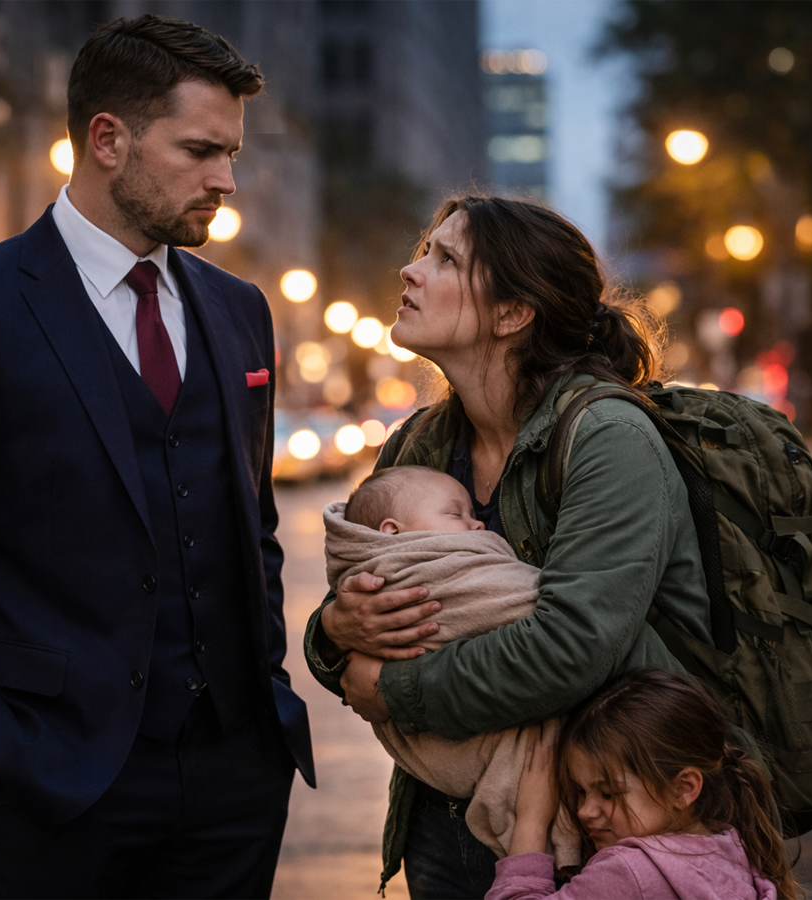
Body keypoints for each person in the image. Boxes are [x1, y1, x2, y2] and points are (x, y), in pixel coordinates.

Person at [0, 14, 314, 899]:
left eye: (232, 153)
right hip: (50, 781)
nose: (226, 180)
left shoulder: (238, 309)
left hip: (232, 783)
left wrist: (265, 701)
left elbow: (249, 526)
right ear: (106, 139)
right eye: (199, 151)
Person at [304, 196, 716, 898]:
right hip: (443, 826)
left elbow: (572, 647)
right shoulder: (420, 444)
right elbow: (360, 589)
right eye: (423, 251)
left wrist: (393, 690)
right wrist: (332, 634)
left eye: (445, 259)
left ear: (512, 314)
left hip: (603, 832)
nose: (409, 270)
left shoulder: (607, 440)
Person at [325, 466, 579, 864]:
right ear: (392, 532)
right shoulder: (416, 573)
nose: (476, 524)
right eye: (455, 514)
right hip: (442, 808)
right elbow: (550, 615)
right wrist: (329, 630)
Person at [486, 668, 796, 900]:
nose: (584, 811)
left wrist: (531, 819)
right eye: (580, 791)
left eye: (608, 793)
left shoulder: (631, 870)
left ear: (683, 789)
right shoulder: (729, 848)